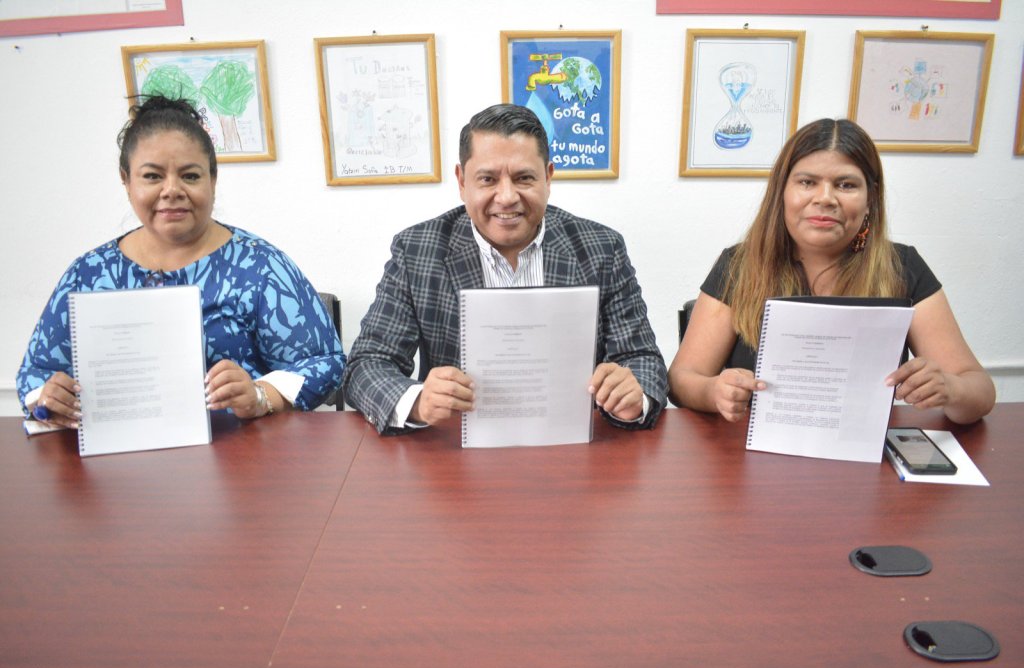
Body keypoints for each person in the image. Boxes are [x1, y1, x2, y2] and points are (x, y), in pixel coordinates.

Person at [17, 96, 344, 428]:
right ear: (126, 180)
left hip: (241, 453)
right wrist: (46, 401)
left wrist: (259, 396)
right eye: (152, 176)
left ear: (212, 180)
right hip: (119, 453)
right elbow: (35, 373)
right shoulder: (87, 275)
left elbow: (324, 363)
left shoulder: (260, 267)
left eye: (190, 176)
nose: (172, 190)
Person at [344, 103, 667, 435]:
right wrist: (417, 401)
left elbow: (644, 359)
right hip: (455, 451)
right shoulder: (416, 251)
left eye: (524, 178)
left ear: (548, 177)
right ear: (462, 181)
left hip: (572, 444)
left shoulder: (601, 248)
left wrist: (634, 396)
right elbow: (366, 364)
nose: (507, 197)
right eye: (488, 179)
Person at [668, 118, 995, 425]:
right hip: (754, 450)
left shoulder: (902, 266)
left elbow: (979, 391)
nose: (825, 199)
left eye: (846, 185)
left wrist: (950, 389)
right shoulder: (738, 265)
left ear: (870, 198)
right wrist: (714, 391)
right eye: (807, 182)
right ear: (782, 192)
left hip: (864, 451)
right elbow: (682, 380)